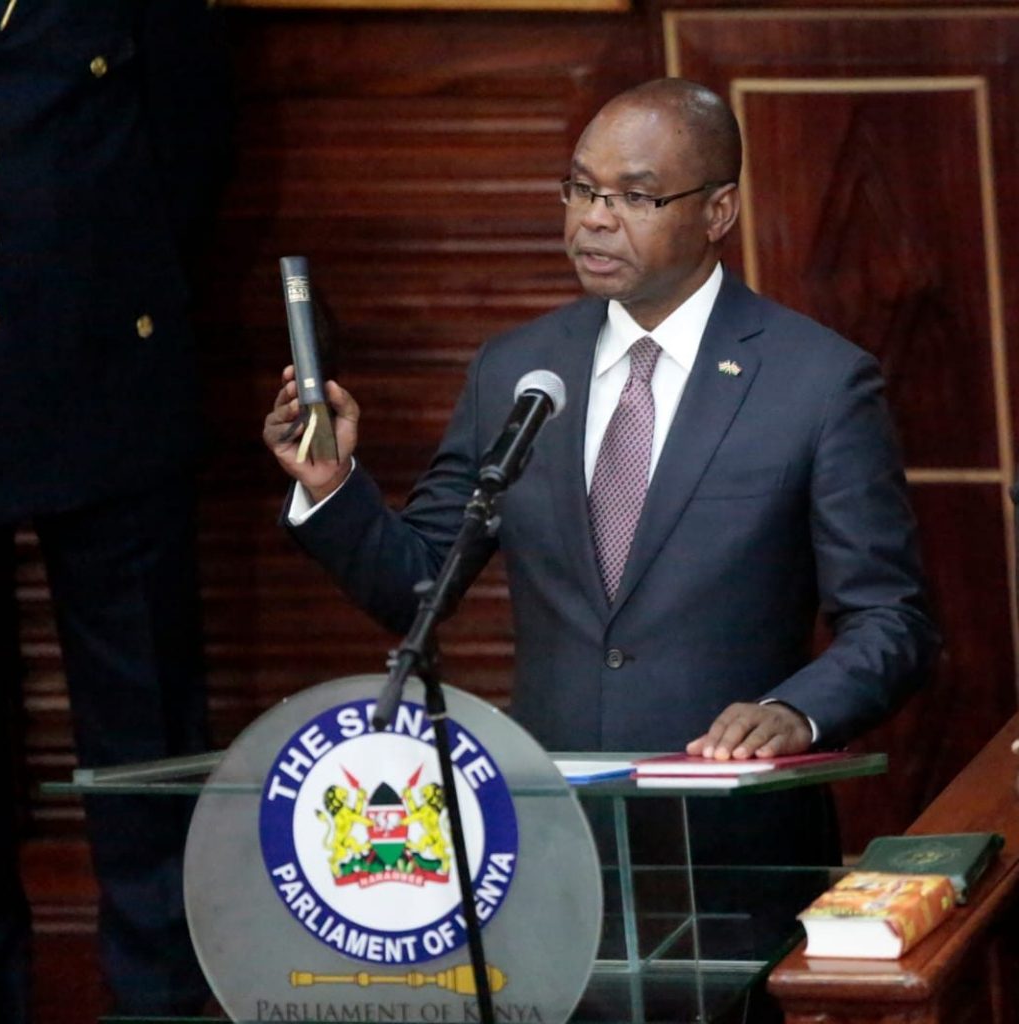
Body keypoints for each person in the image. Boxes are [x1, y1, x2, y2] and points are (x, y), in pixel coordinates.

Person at [263, 78, 939, 872]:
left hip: (735, 839)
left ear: (718, 211)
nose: (593, 217)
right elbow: (416, 585)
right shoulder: (517, 371)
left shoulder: (817, 382)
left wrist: (797, 711)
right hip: (554, 841)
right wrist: (331, 485)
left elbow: (892, 619)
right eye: (581, 189)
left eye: (635, 197)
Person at [0, 1, 230, 1019]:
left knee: (146, 724)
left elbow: (190, 139)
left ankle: (159, 996)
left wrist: (104, 285)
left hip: (104, 370)